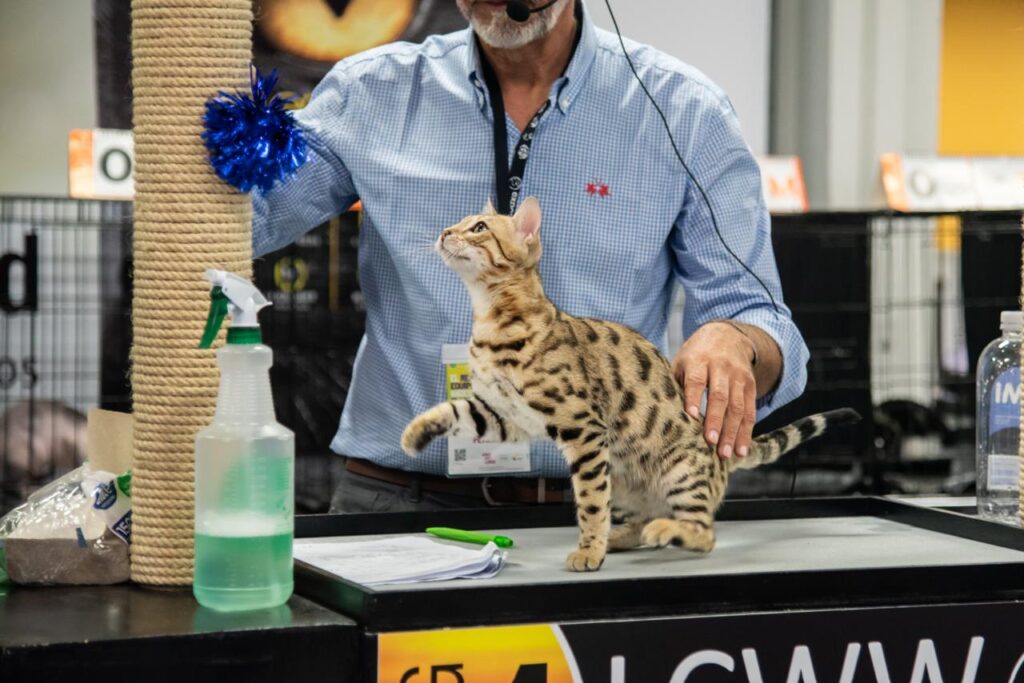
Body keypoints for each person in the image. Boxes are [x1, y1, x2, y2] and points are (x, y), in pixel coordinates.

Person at [253, 0, 809, 513]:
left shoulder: (684, 111)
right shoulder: (372, 92)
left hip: (603, 504)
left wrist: (736, 341)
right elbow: (244, 220)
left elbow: (762, 319)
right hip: (398, 499)